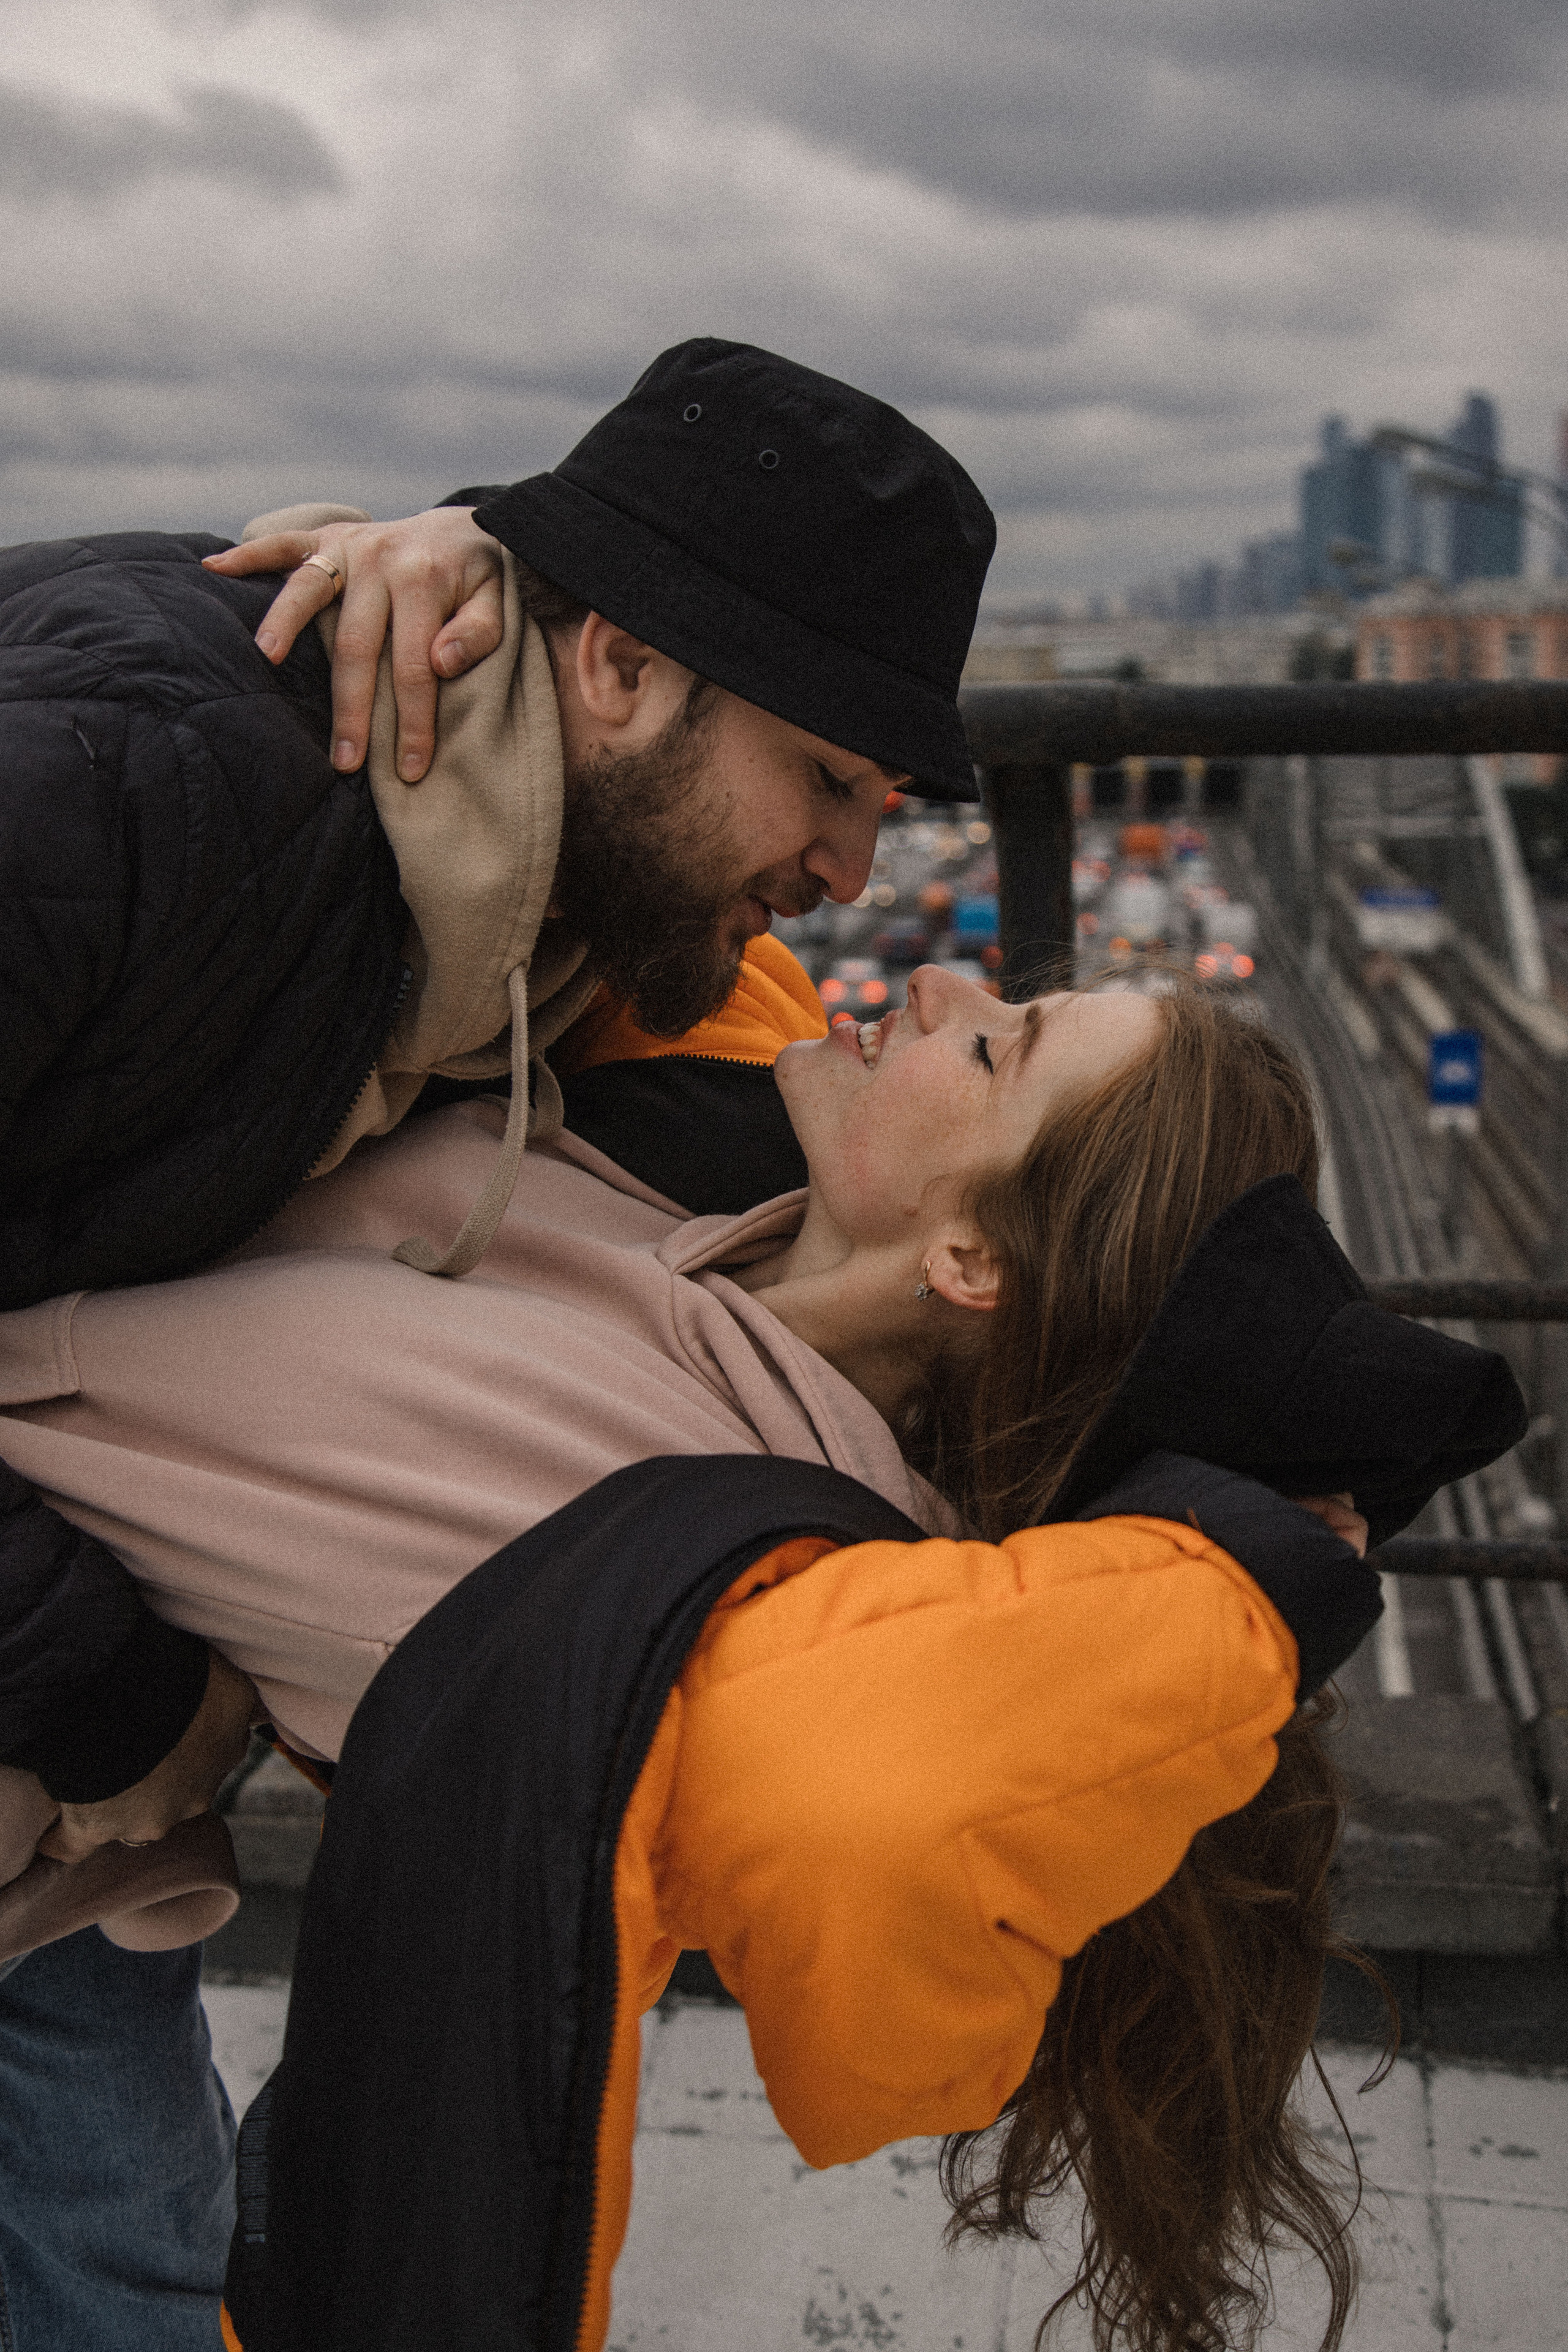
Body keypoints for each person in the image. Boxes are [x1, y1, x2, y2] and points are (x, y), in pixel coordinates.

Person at [0, 962, 1525, 2351]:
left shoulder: (708, 1565)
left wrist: (1239, 1578)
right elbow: (669, 855)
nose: (940, 984)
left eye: (994, 1049)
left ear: (969, 1259)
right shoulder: (720, 1203)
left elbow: (866, 1798)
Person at [0, 337, 993, 2346]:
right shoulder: (158, 788)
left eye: (884, 809)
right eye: (826, 779)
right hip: (59, 1710)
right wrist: (111, 1685)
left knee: (132, 2264)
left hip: (51, 1809)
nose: (852, 874)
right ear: (616, 668)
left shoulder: (527, 896)